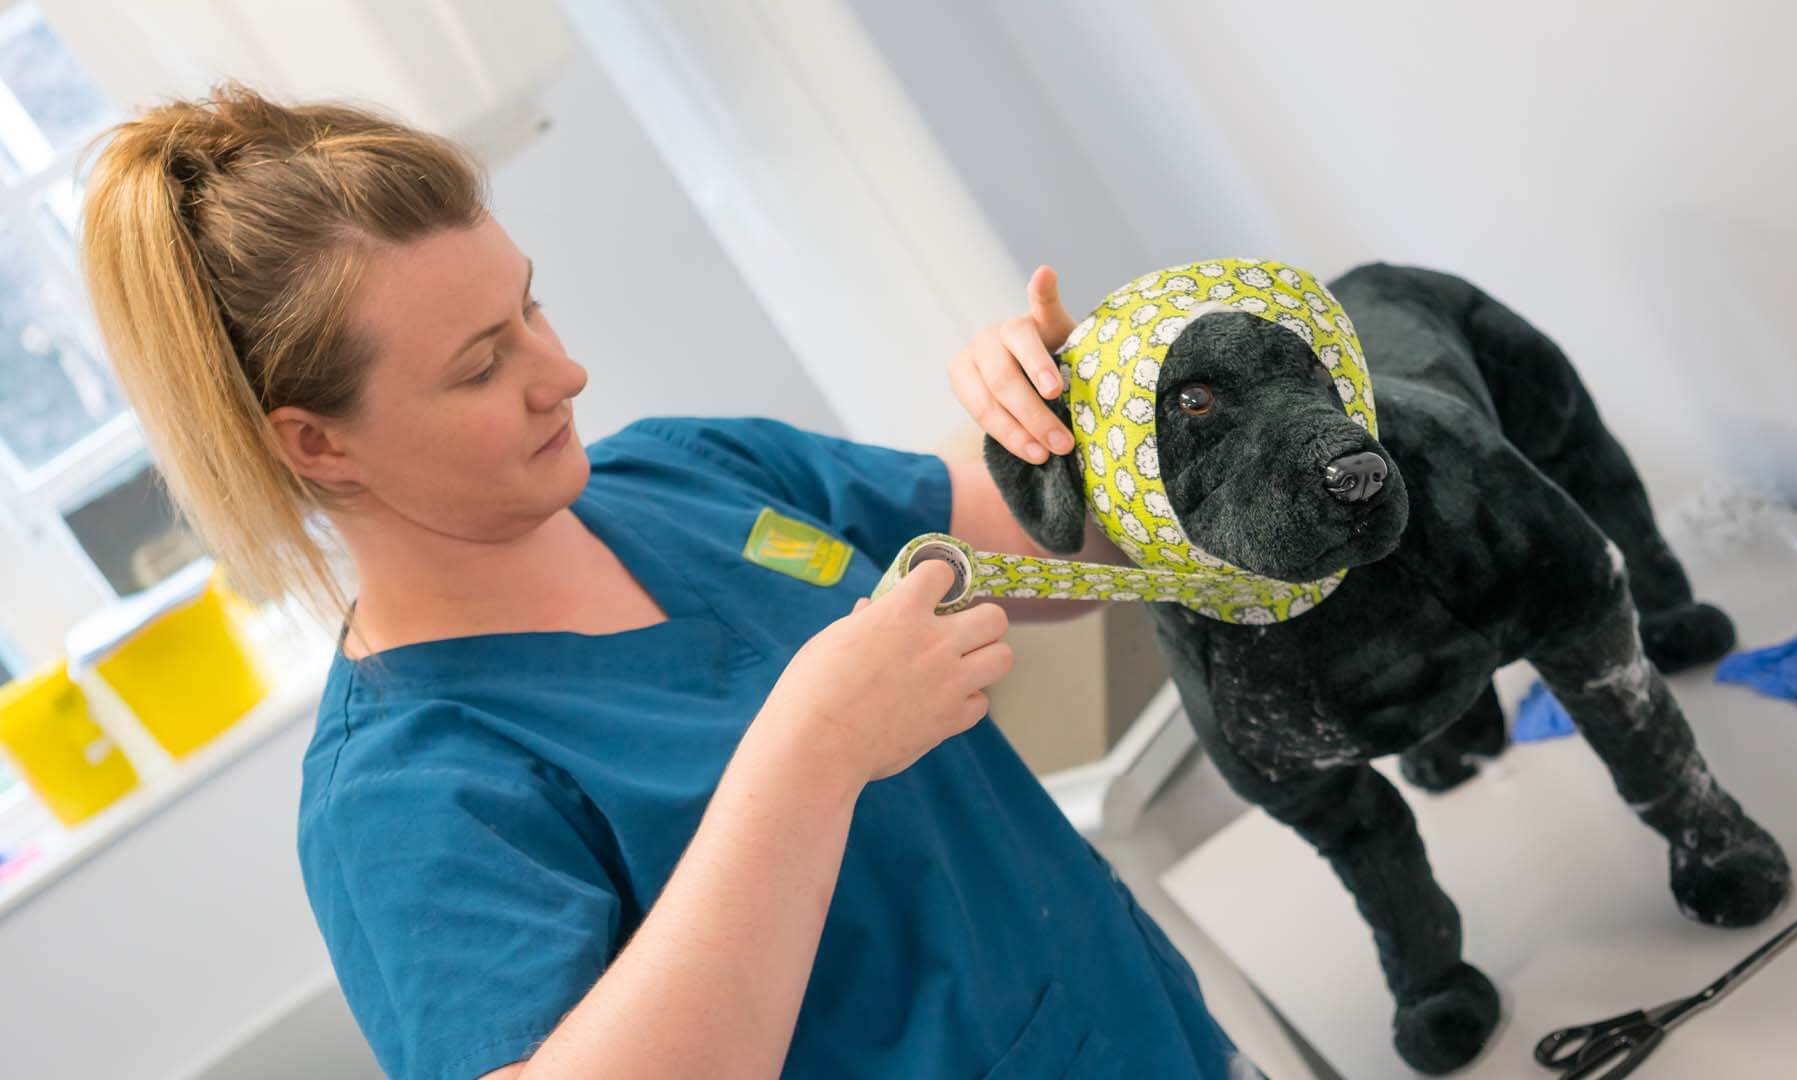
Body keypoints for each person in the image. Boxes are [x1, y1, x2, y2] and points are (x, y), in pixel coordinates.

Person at [78, 85, 1246, 1079]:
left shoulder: (684, 473)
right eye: (484, 365)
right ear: (316, 444)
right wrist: (810, 757)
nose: (564, 372)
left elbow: (1065, 556)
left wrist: (1085, 403)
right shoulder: (407, 794)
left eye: (527, 306)